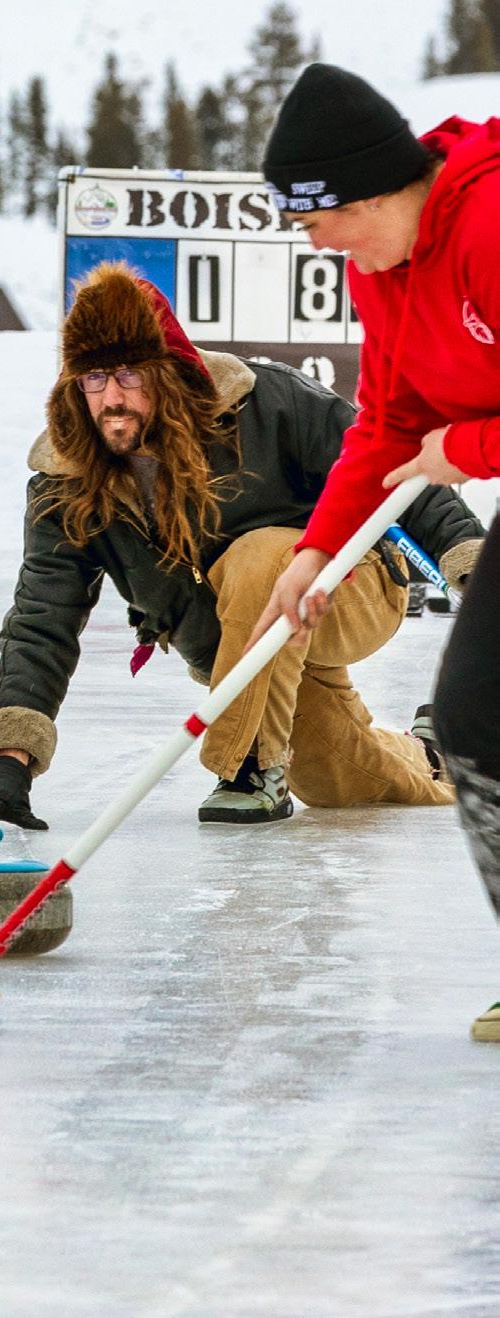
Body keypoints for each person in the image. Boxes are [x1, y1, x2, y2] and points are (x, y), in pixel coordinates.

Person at [0, 260, 483, 837]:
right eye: (93, 378)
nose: (111, 397)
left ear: (168, 371)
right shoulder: (68, 481)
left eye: (129, 375)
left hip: (343, 589)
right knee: (337, 777)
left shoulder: (265, 404)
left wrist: (472, 562)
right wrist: (11, 764)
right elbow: (43, 615)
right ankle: (433, 752)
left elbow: (388, 467)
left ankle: (246, 767)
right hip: (233, 647)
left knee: (259, 554)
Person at [248, 64, 500, 1043]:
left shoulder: (486, 226)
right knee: (474, 723)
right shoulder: (378, 267)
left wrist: (467, 448)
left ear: (364, 194)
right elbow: (388, 423)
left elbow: (444, 442)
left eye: (316, 221)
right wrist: (317, 550)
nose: (314, 244)